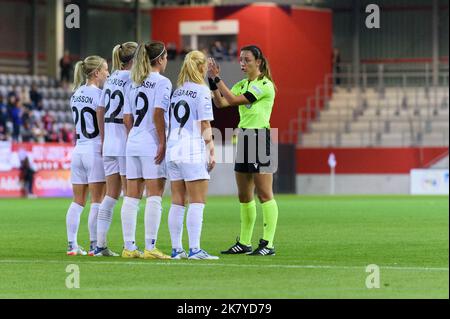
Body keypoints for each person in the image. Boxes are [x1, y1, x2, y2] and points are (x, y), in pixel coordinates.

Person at [207, 45, 279, 256]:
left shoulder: (265, 85)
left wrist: (218, 79)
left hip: (260, 138)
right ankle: (245, 242)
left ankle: (268, 243)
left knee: (265, 194)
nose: (243, 63)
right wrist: (212, 82)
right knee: (244, 195)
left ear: (258, 62)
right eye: (241, 60)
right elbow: (220, 103)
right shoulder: (241, 84)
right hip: (244, 138)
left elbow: (234, 100)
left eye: (247, 60)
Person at [119, 41, 171, 260]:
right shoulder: (162, 82)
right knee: (155, 195)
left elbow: (127, 118)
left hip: (133, 141)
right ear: (160, 59)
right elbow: (158, 113)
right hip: (151, 143)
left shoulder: (133, 81)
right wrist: (162, 142)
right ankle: (150, 246)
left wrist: (136, 137)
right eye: (166, 57)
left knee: (131, 196)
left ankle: (129, 247)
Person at [166, 50, 218, 260]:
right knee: (198, 201)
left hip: (173, 147)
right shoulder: (202, 90)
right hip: (190, 147)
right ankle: (195, 249)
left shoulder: (178, 91)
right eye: (204, 65)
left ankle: (177, 249)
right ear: (200, 67)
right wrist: (211, 149)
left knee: (178, 200)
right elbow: (204, 123)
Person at [94, 42, 138, 257]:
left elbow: (99, 110)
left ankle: (100, 244)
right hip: (123, 141)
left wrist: (103, 138)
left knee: (111, 195)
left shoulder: (110, 79)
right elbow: (130, 113)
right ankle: (129, 245)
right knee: (131, 195)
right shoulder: (132, 79)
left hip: (110, 141)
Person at [65, 55, 109, 256]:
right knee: (97, 200)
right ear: (97, 73)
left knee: (77, 200)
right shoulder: (100, 95)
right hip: (94, 149)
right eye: (106, 70)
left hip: (78, 149)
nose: (108, 73)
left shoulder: (75, 94)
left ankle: (72, 244)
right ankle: (94, 245)